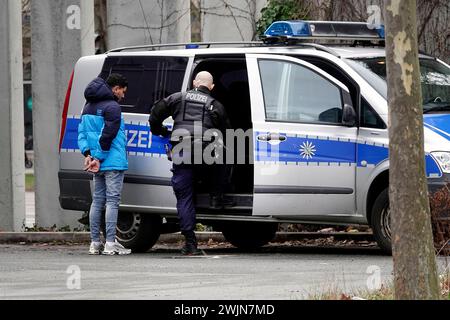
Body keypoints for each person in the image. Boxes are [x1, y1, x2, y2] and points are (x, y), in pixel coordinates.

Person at [149, 71, 233, 255]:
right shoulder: (215, 105)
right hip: (206, 155)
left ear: (194, 82)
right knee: (227, 156)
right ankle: (216, 198)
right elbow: (226, 132)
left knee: (184, 197)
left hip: (182, 153)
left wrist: (160, 130)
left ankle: (190, 243)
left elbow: (155, 114)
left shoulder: (177, 98)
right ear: (211, 87)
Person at [78, 73, 131, 255]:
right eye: (122, 92)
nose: (122, 96)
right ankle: (110, 243)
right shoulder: (112, 107)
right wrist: (98, 158)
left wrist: (88, 155)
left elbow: (82, 134)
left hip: (96, 162)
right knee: (112, 202)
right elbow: (108, 135)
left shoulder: (87, 106)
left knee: (97, 201)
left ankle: (95, 243)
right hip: (111, 161)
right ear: (115, 88)